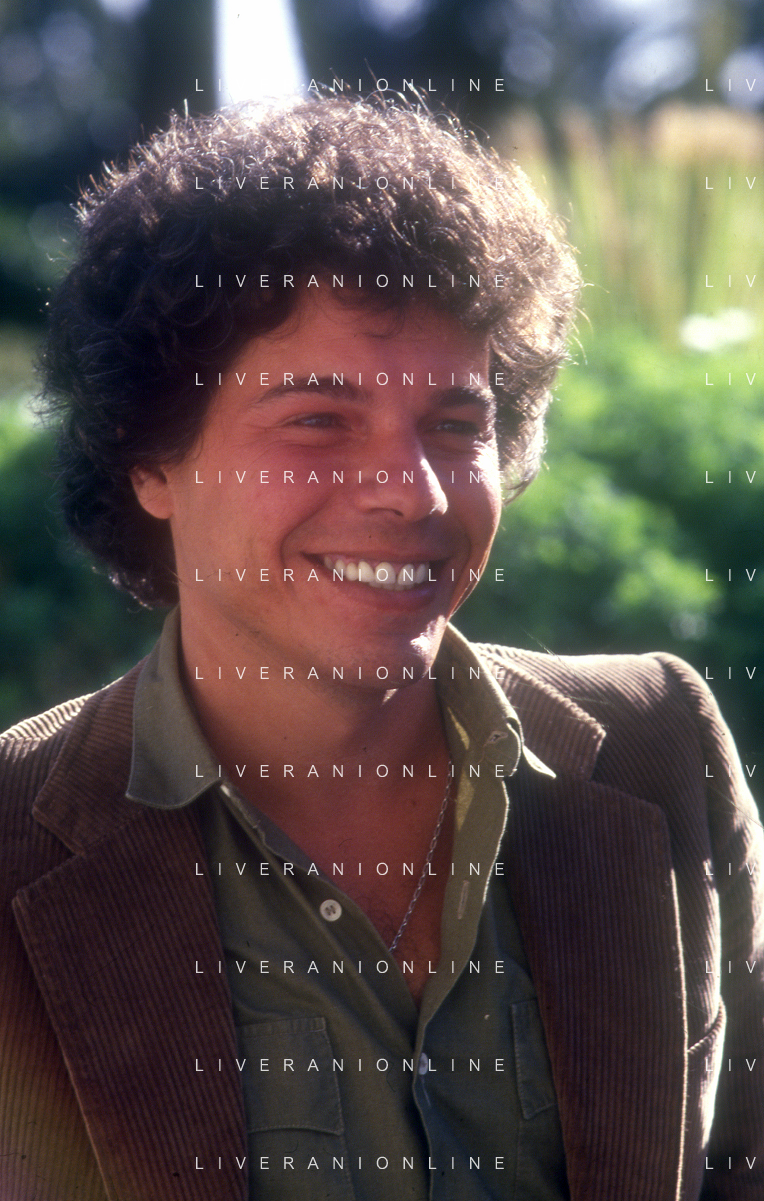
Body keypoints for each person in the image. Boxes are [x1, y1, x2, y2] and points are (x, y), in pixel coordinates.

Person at [1, 96, 762, 1201]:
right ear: (150, 460)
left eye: (456, 425)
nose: (412, 493)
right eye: (317, 419)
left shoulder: (658, 749)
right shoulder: (14, 844)